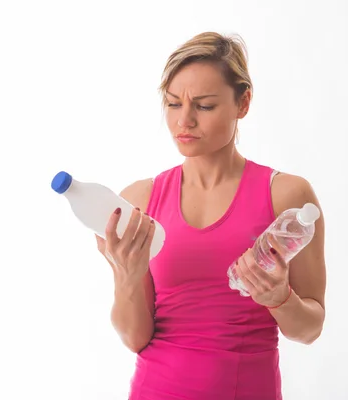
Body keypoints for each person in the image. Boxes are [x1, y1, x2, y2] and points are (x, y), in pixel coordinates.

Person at [94, 32, 327, 400]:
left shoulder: (287, 197)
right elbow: (135, 338)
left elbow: (310, 329)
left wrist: (281, 298)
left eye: (203, 106)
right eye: (172, 104)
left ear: (243, 102)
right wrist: (127, 276)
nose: (184, 121)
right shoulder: (140, 199)